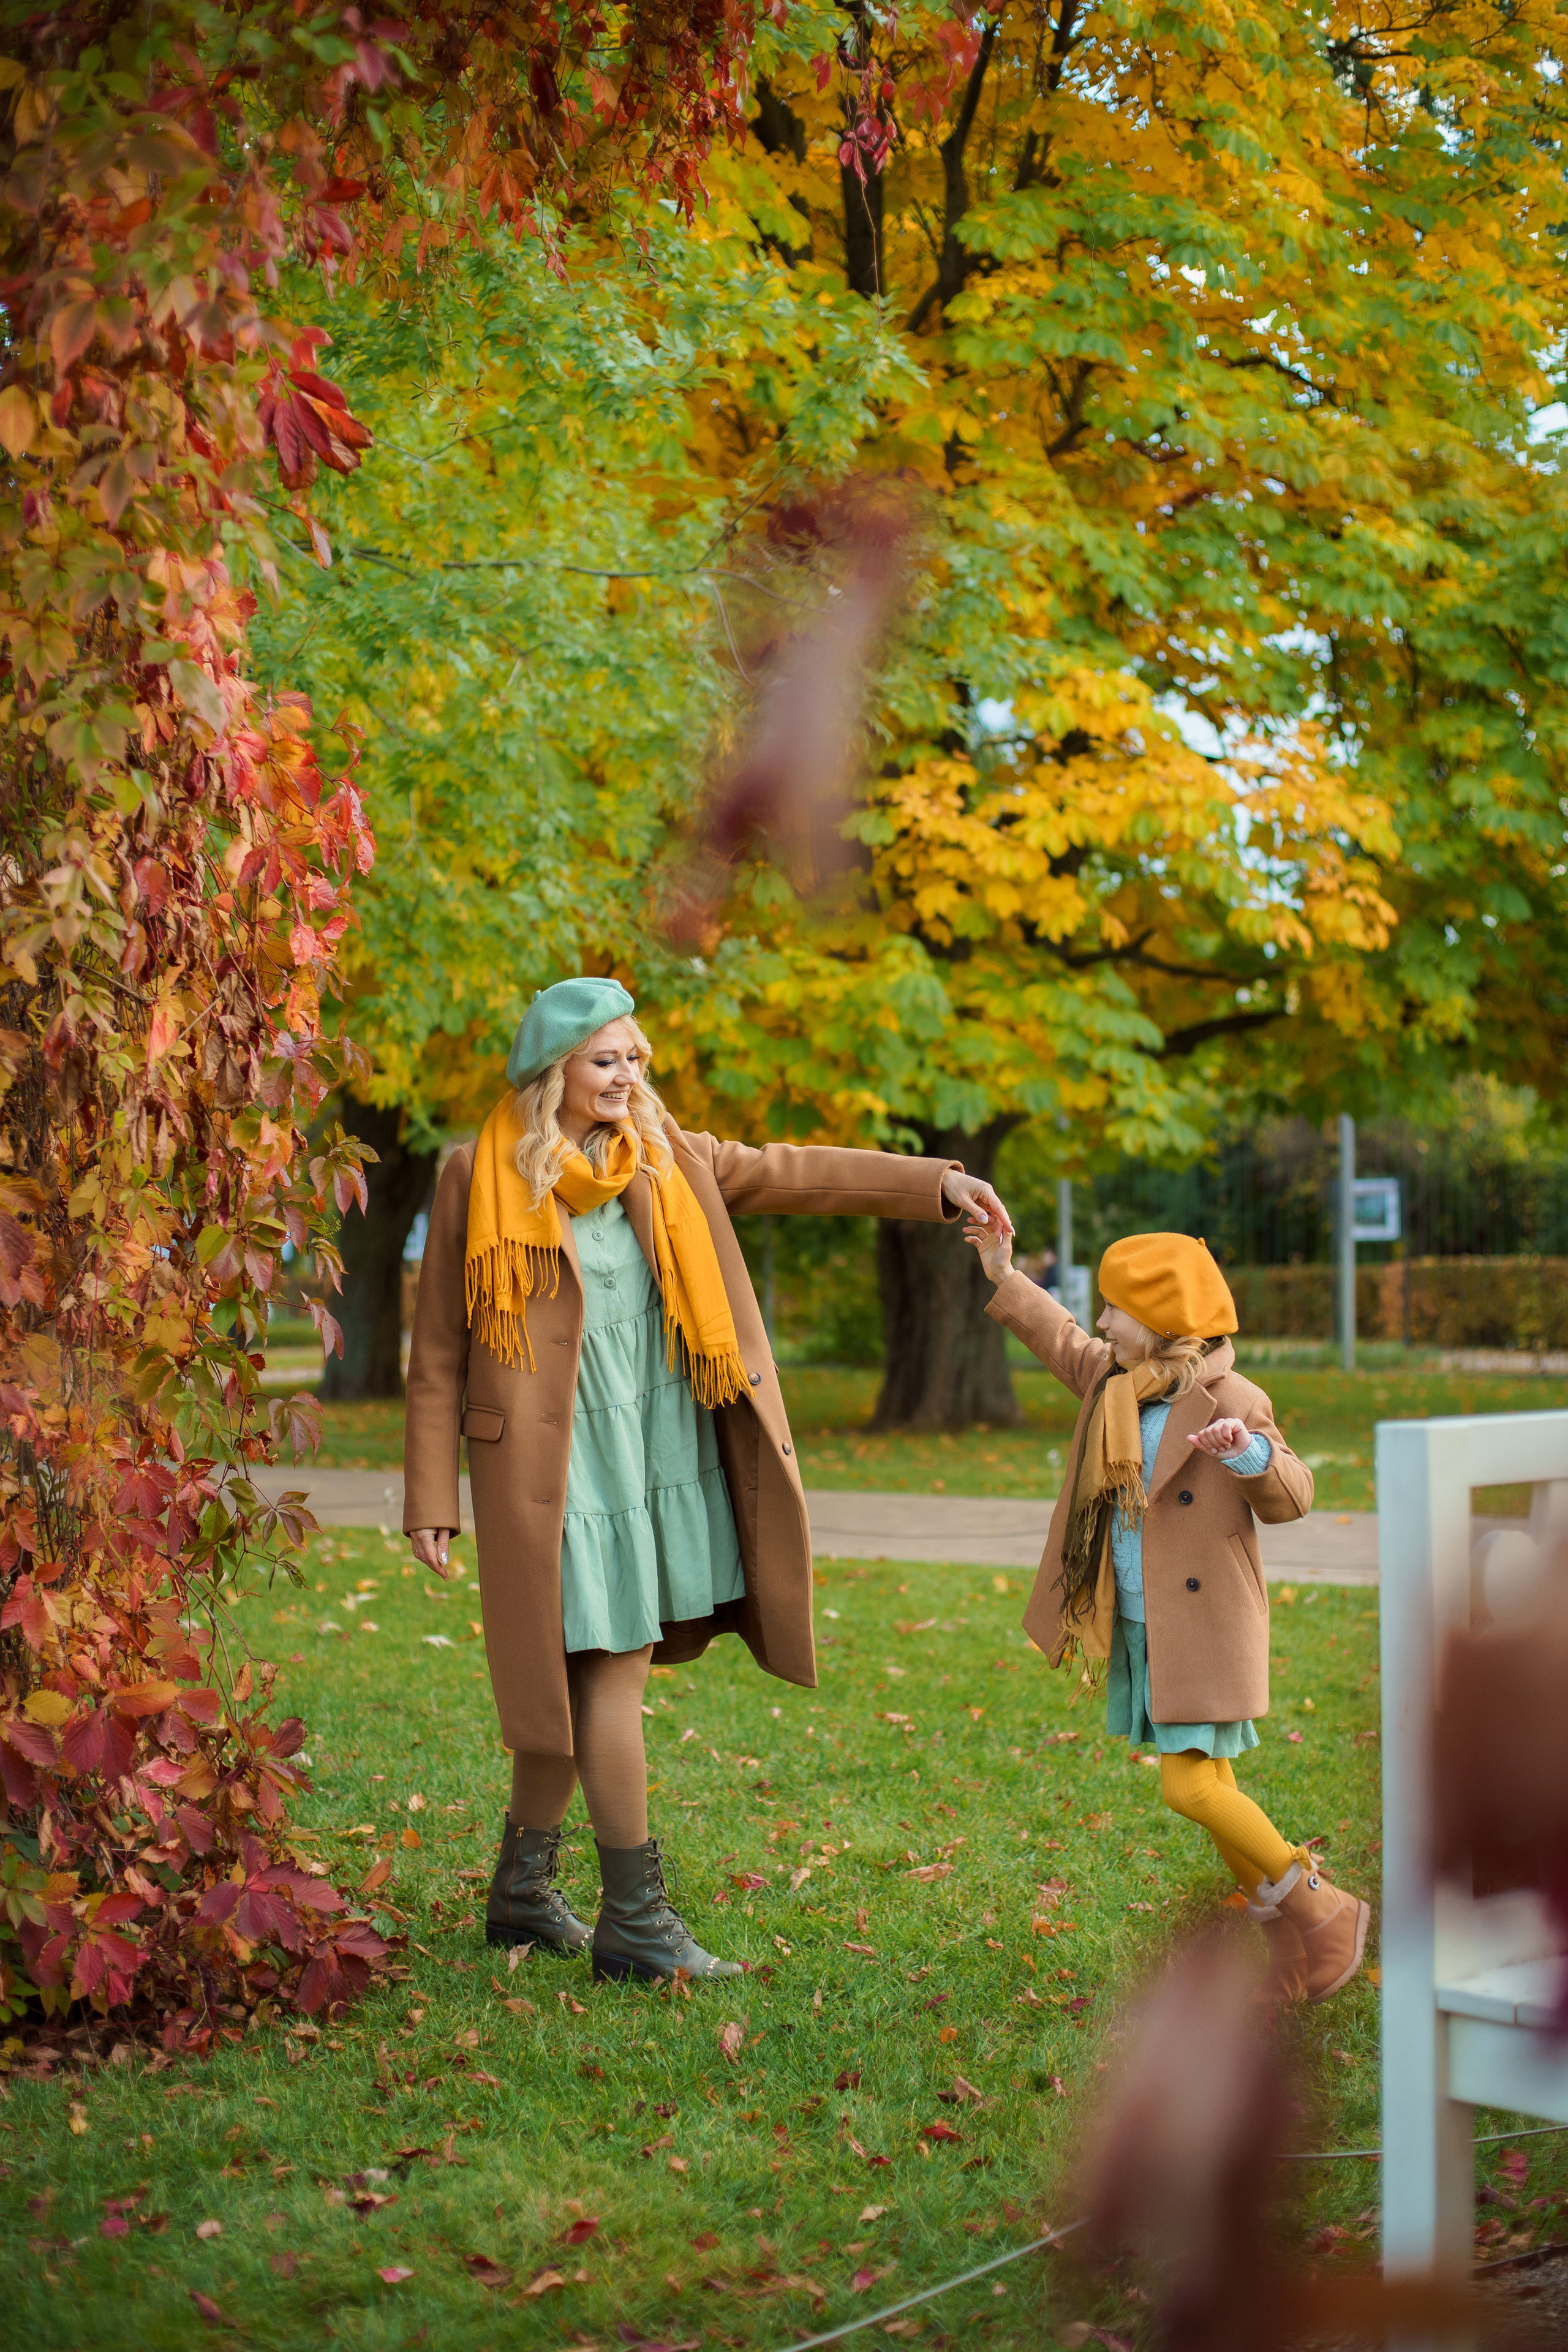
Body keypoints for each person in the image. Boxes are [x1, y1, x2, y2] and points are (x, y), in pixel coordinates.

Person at [404, 976, 1013, 1983]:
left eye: (637, 1058)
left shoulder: (666, 1157)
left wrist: (934, 1185)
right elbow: (434, 1353)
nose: (628, 1076)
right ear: (553, 1072)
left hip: (655, 1453)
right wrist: (431, 1499)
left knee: (584, 1673)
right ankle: (634, 1921)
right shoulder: (479, 1175)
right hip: (552, 1474)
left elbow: (792, 1170)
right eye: (607, 1060)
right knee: (607, 1664)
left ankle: (520, 1897)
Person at [960, 1214, 1370, 2004]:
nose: (1103, 1321)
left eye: (1117, 1309)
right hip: (1145, 1622)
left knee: (1190, 1789)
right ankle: (1292, 1938)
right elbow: (1059, 1336)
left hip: (1207, 1626)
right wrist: (1003, 1274)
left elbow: (1295, 1495)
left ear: (1161, 1323)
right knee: (1213, 1782)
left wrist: (1246, 1456)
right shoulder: (1116, 1382)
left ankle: (1325, 1908)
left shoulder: (1235, 1397)